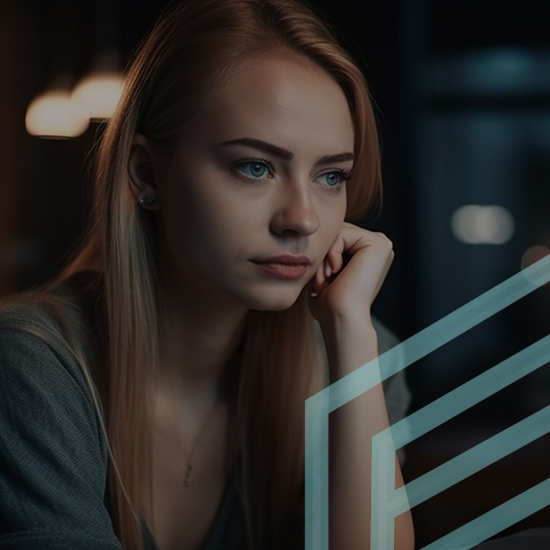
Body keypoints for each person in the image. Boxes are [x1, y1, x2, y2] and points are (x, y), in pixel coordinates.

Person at [0, 0, 414, 549]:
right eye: (255, 166)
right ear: (147, 174)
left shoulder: (357, 358)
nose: (304, 219)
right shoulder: (34, 371)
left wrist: (350, 336)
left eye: (331, 175)